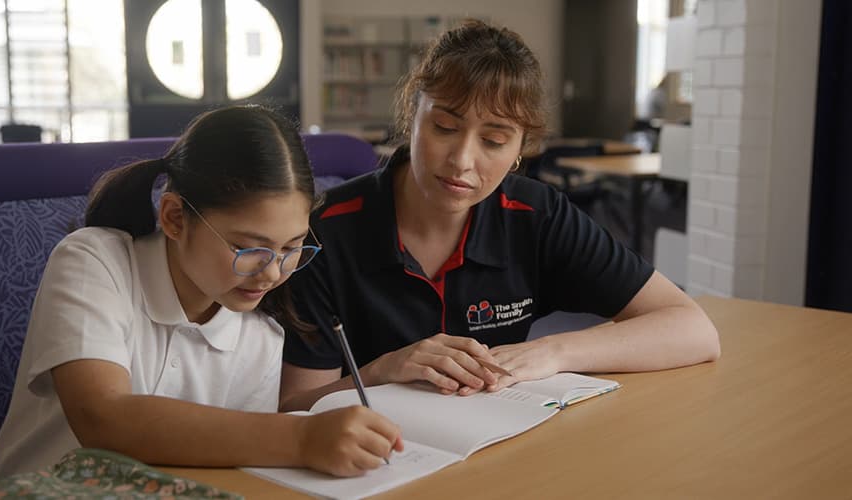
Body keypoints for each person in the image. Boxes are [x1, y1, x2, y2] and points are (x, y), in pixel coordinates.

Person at [279, 20, 720, 411]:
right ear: (412, 115)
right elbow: (294, 405)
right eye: (445, 128)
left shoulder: (535, 214)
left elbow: (694, 330)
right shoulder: (328, 230)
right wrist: (383, 370)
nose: (462, 161)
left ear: (519, 149)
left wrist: (553, 352)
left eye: (493, 141)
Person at [0, 105, 402, 480]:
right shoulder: (94, 261)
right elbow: (103, 420)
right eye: (247, 248)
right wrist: (301, 437)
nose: (272, 272)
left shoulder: (261, 335)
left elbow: (236, 472)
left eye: (292, 248)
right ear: (174, 218)